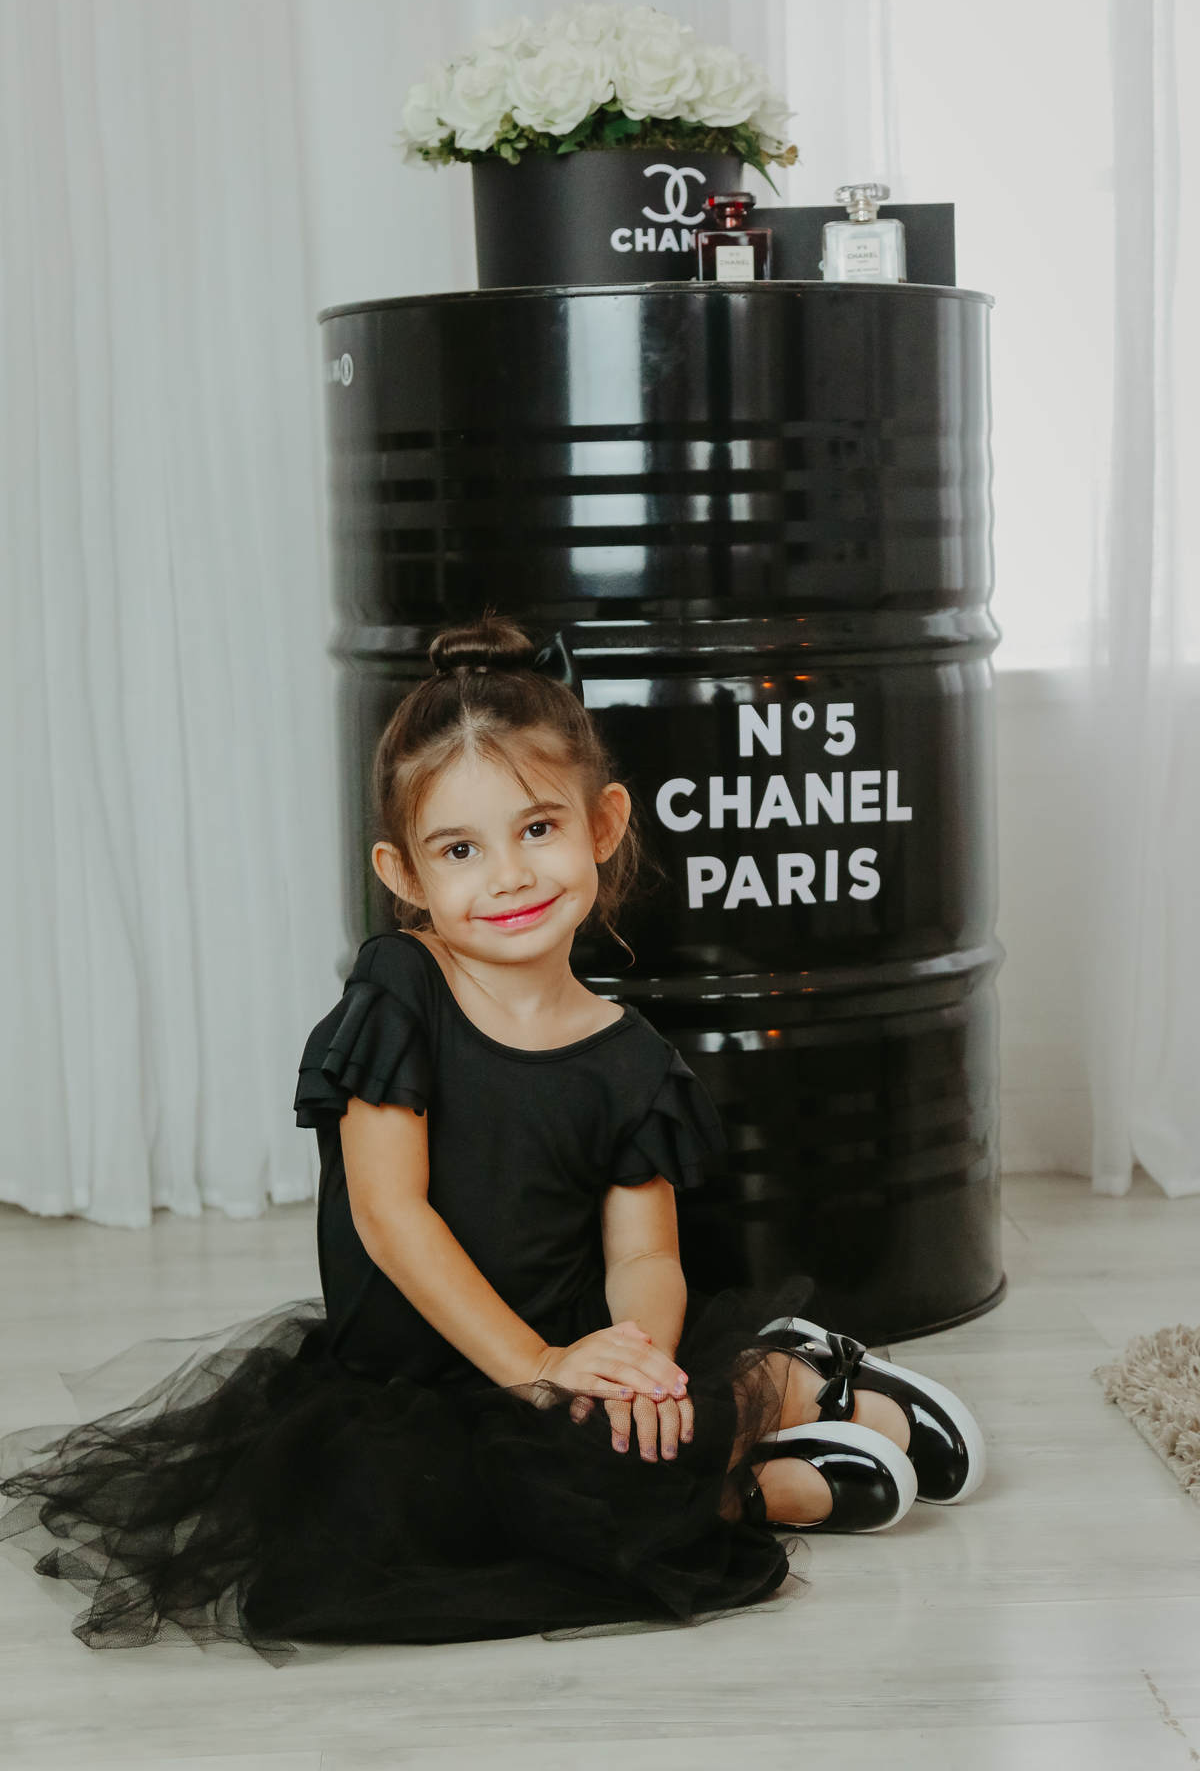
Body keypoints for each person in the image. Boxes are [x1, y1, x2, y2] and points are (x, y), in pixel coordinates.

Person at [0, 618, 986, 1657]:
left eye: (537, 829)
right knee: (382, 1546)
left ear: (603, 824)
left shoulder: (632, 1061)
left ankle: (782, 1386)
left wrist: (637, 1366)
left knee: (613, 1440)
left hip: (567, 1353)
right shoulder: (402, 990)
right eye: (460, 850)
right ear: (405, 875)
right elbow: (390, 1214)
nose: (508, 876)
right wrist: (533, 1365)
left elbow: (643, 1258)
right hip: (425, 1382)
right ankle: (751, 1479)